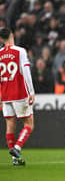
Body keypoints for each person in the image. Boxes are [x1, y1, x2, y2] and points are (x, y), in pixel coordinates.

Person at [0, 28, 35, 166]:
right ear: (12, 36)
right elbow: (26, 72)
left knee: (10, 126)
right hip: (19, 93)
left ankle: (15, 159)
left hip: (5, 95)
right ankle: (17, 148)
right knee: (29, 124)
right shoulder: (20, 51)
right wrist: (31, 91)